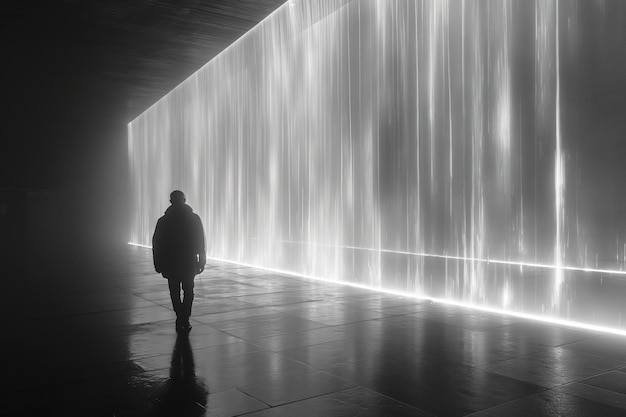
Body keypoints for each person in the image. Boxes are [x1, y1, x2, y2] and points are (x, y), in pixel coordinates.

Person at [152, 190, 206, 332]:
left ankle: (180, 316)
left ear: (171, 201)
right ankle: (185, 318)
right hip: (188, 261)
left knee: (174, 292)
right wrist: (202, 260)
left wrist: (158, 263)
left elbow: (157, 243)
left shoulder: (163, 221)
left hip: (171, 263)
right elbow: (200, 241)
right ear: (185, 200)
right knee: (189, 291)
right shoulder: (194, 219)